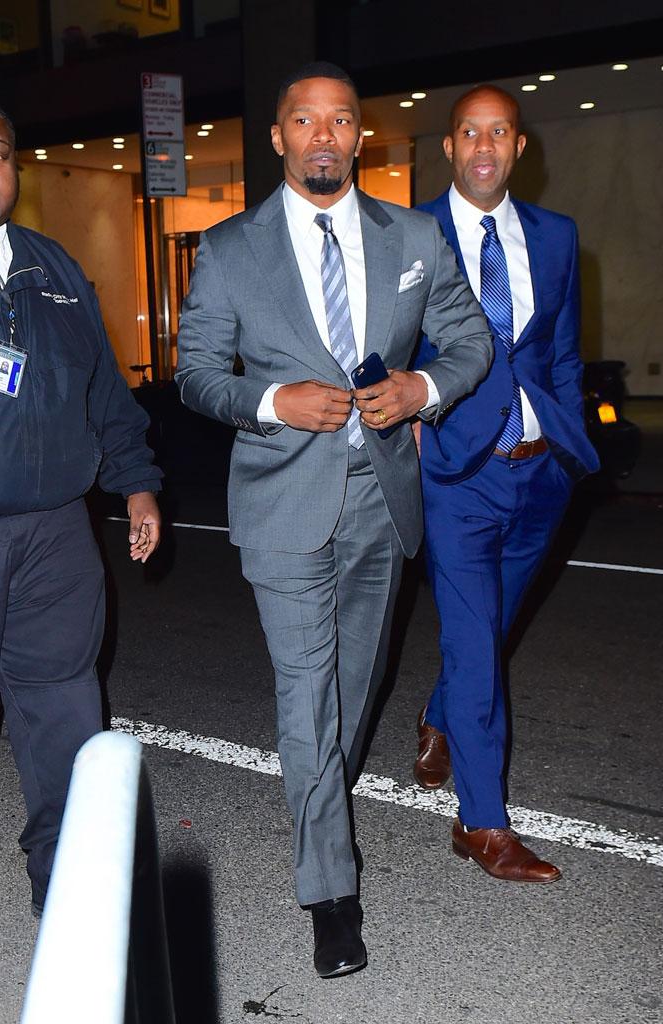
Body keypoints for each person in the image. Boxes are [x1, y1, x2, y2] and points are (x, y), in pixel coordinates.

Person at [176, 62, 492, 977]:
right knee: (305, 694)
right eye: (302, 122)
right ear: (277, 138)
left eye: (339, 121)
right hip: (281, 503)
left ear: (361, 138)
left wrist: (419, 387)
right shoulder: (232, 248)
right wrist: (275, 400)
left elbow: (469, 341)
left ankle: (319, 792)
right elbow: (197, 373)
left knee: (356, 686)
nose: (322, 135)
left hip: (381, 501)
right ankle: (329, 891)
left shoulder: (414, 236)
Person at [0, 93, 162, 926]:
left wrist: (135, 479)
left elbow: (102, 392)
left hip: (57, 530)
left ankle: (64, 864)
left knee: (66, 706)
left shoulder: (51, 267)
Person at [412, 85, 599, 881]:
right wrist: (406, 413)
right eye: (468, 133)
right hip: (456, 474)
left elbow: (559, 351)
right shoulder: (410, 235)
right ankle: (481, 826)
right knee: (477, 648)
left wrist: (567, 446)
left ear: (519, 148)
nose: (484, 147)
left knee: (485, 632)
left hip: (538, 475)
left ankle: (434, 714)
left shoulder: (557, 237)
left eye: (500, 133)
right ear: (448, 148)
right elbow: (376, 344)